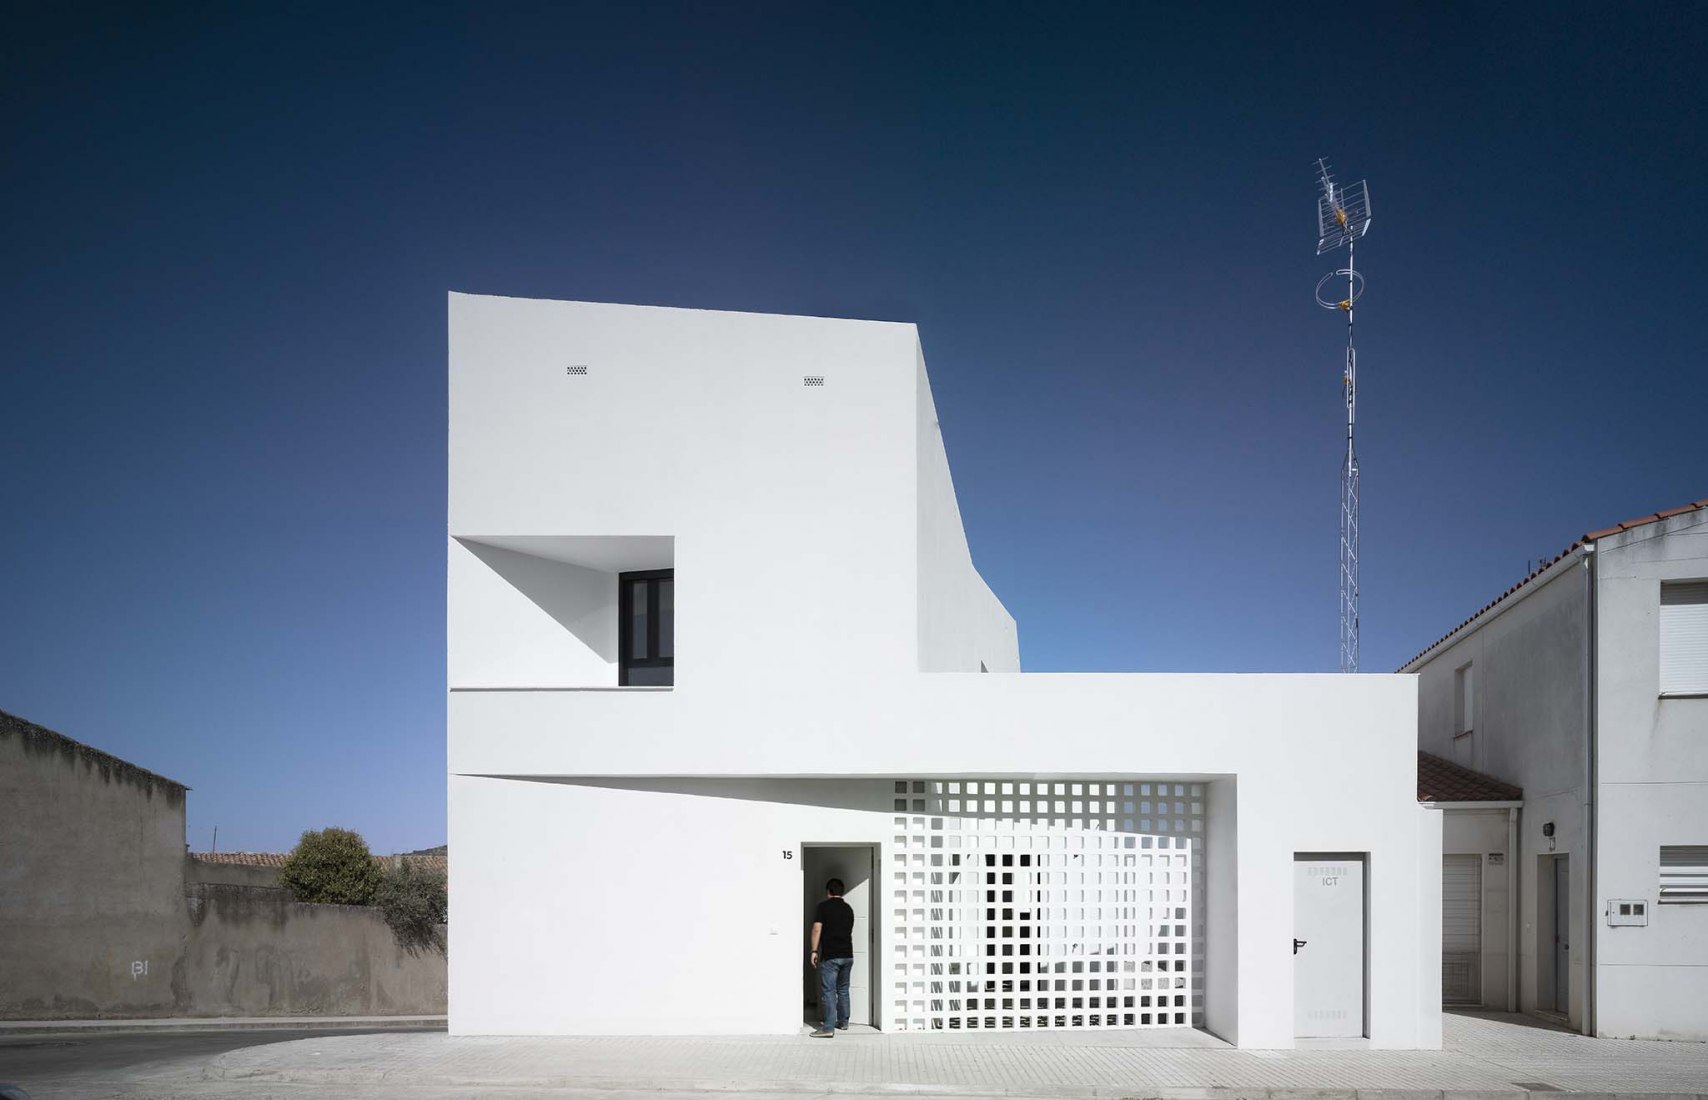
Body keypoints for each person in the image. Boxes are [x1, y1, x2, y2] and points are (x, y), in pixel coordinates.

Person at [808, 877, 855, 1037]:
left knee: (828, 991)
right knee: (843, 989)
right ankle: (843, 1022)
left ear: (828, 891)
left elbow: (816, 929)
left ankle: (828, 1028)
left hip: (831, 956)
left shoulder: (823, 907)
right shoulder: (848, 909)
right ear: (841, 892)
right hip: (848, 955)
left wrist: (814, 950)